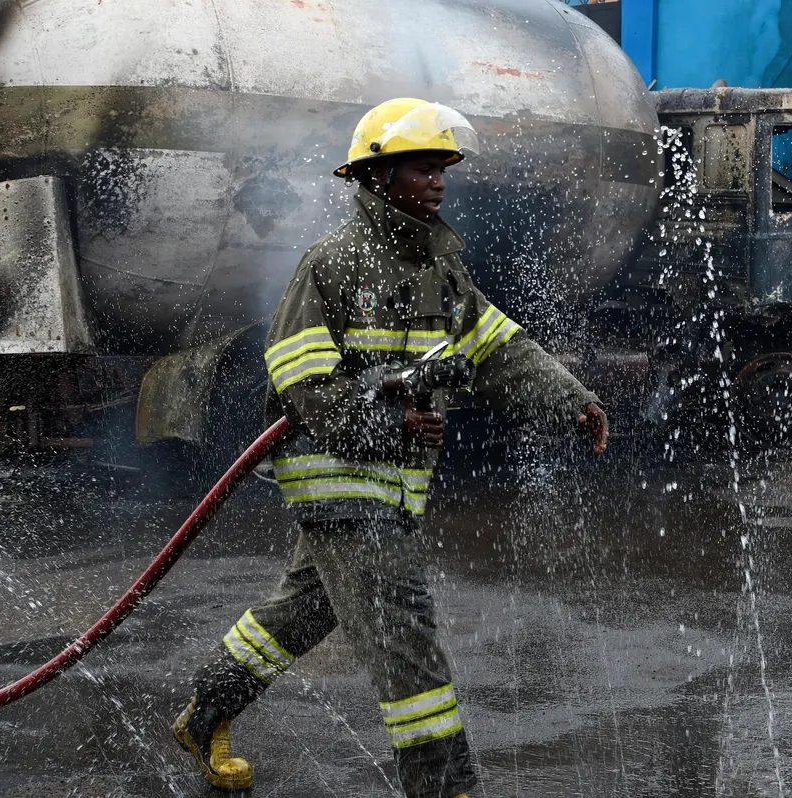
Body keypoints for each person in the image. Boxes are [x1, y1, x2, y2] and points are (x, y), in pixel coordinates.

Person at [173, 97, 608, 798]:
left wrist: (572, 400)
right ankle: (446, 787)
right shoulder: (334, 265)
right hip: (338, 481)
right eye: (421, 167)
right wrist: (391, 425)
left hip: (390, 485)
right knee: (403, 635)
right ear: (377, 177)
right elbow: (298, 382)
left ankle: (205, 715)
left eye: (443, 168)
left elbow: (498, 349)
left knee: (304, 609)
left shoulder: (441, 271)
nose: (438, 181)